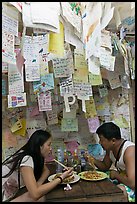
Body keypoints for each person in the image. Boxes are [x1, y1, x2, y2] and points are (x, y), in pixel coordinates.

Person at [2, 129, 73, 202]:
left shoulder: (34, 155)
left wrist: (38, 184)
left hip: (12, 194)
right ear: (40, 146)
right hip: (5, 197)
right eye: (48, 145)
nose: (50, 148)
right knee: (40, 197)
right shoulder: (26, 159)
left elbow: (46, 171)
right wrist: (61, 178)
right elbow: (35, 195)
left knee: (41, 195)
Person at [84, 122, 135, 202]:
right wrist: (92, 159)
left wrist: (116, 175)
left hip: (132, 186)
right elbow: (105, 166)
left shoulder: (129, 151)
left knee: (119, 190)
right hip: (125, 180)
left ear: (113, 140)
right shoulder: (110, 149)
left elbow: (133, 183)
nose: (100, 143)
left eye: (101, 139)